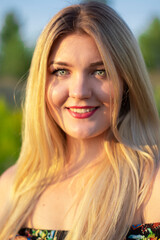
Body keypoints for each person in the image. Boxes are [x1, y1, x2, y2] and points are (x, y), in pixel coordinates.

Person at [0, 1, 160, 240]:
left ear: (127, 81)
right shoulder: (14, 185)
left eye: (100, 71)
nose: (79, 91)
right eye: (61, 71)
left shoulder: (150, 183)